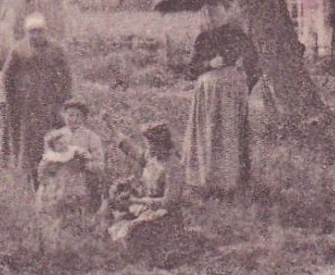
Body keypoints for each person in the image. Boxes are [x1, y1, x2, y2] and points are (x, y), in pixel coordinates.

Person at [0, 13, 73, 186]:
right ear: (26, 32)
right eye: (32, 32)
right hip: (25, 103)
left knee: (52, 137)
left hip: (50, 103)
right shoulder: (19, 49)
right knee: (25, 141)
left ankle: (52, 175)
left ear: (45, 31)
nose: (36, 35)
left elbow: (66, 75)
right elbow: (7, 76)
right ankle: (27, 177)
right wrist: (10, 99)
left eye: (39, 31)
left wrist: (63, 98)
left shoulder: (56, 49)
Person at [183, 28, 253, 197]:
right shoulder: (204, 37)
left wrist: (241, 72)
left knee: (230, 134)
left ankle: (230, 183)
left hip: (230, 89)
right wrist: (208, 65)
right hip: (211, 92)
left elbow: (253, 65)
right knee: (209, 133)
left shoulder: (240, 35)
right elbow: (190, 71)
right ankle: (207, 181)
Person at [107, 122, 186, 258]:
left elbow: (169, 202)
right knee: (112, 220)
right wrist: (110, 125)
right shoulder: (151, 156)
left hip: (165, 216)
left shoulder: (173, 167)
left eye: (150, 143)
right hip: (144, 208)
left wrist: (136, 200)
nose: (147, 147)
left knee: (131, 231)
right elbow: (129, 148)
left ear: (162, 143)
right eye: (146, 143)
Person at [37, 99, 106, 223]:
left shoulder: (92, 138)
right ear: (64, 115)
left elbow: (100, 166)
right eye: (70, 115)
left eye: (78, 116)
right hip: (57, 179)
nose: (73, 119)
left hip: (80, 179)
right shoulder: (55, 136)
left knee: (76, 213)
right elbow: (47, 158)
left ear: (84, 118)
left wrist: (83, 164)